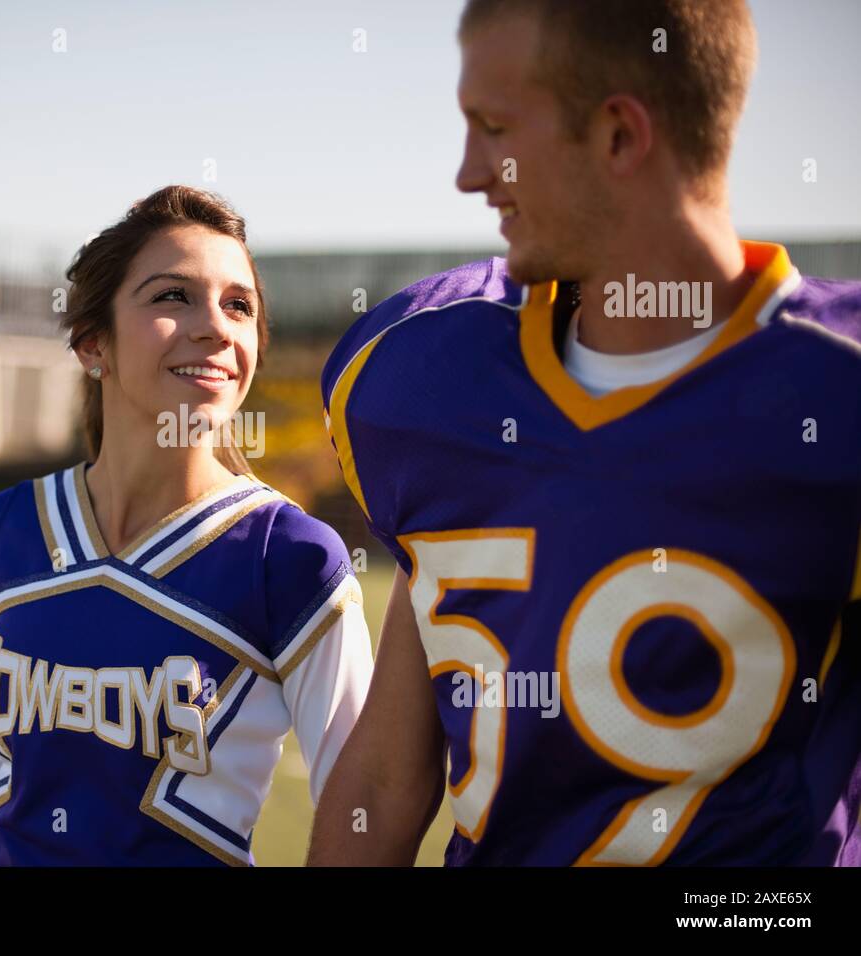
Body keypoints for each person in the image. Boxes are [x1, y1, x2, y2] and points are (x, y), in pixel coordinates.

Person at [309, 0, 861, 866]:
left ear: (617, 137)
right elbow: (386, 777)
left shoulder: (835, 388)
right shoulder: (415, 377)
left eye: (494, 128)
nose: (467, 172)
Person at [0, 185, 373, 866]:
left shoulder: (290, 560)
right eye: (173, 297)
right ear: (90, 344)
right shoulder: (2, 533)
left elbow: (368, 809)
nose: (216, 328)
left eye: (239, 306)